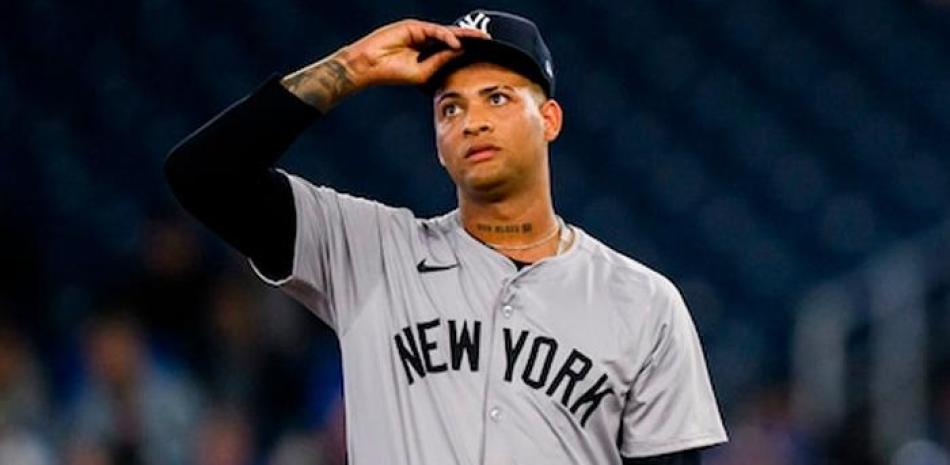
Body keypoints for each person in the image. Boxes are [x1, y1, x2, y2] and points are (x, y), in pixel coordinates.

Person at [165, 9, 728, 465]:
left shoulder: (644, 302)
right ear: (437, 141)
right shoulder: (372, 251)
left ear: (550, 119)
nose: (471, 121)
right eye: (450, 107)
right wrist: (353, 67)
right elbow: (204, 176)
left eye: (498, 98)